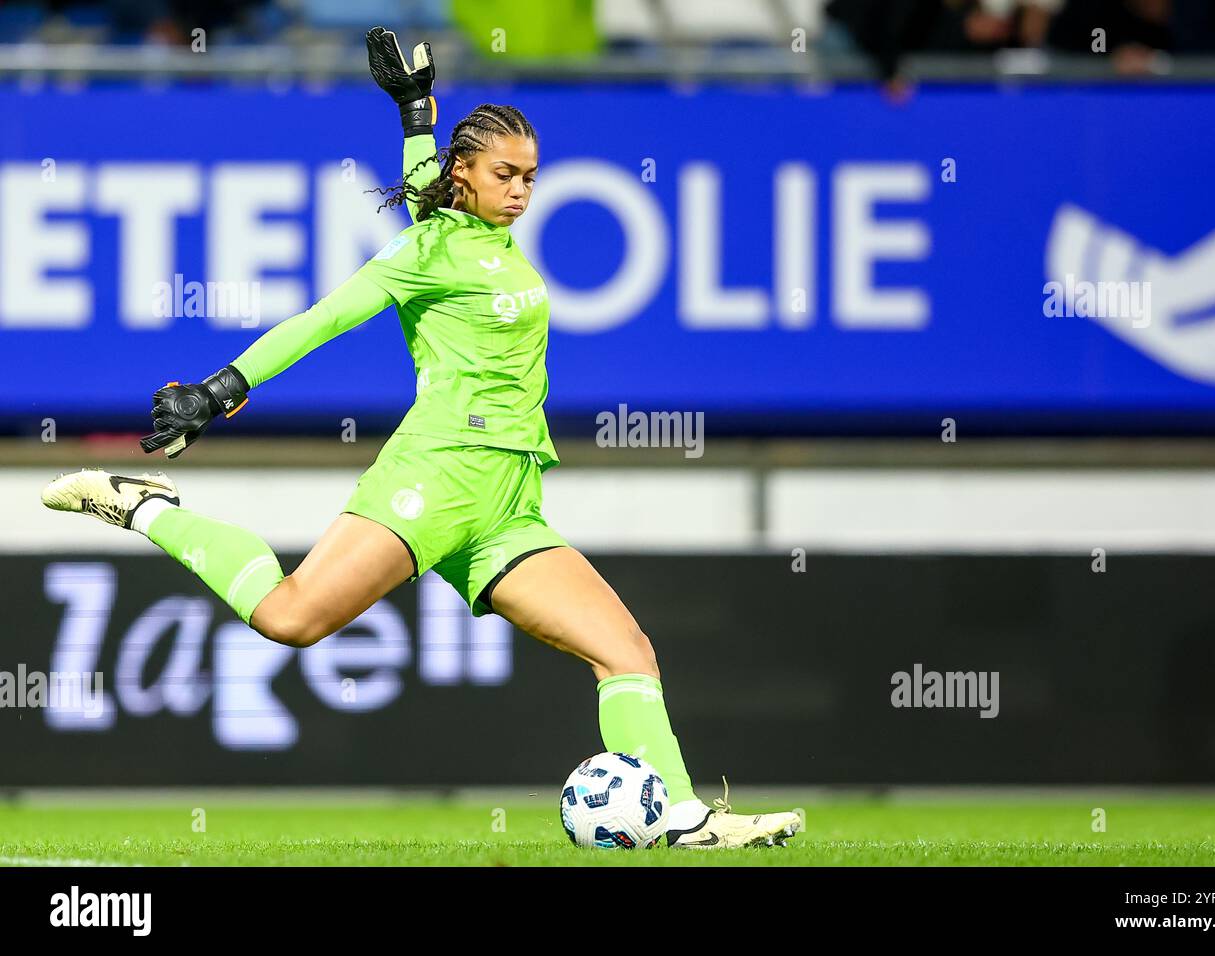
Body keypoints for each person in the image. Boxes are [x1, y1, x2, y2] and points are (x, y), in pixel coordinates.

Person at [41, 26, 802, 850]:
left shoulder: (482, 238)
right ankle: (148, 509)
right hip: (436, 476)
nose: (520, 191)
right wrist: (222, 390)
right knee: (290, 619)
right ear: (466, 175)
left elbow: (422, 185)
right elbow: (322, 318)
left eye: (531, 178)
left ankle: (683, 816)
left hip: (509, 503)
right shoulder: (429, 249)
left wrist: (414, 111)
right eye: (504, 175)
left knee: (625, 649)